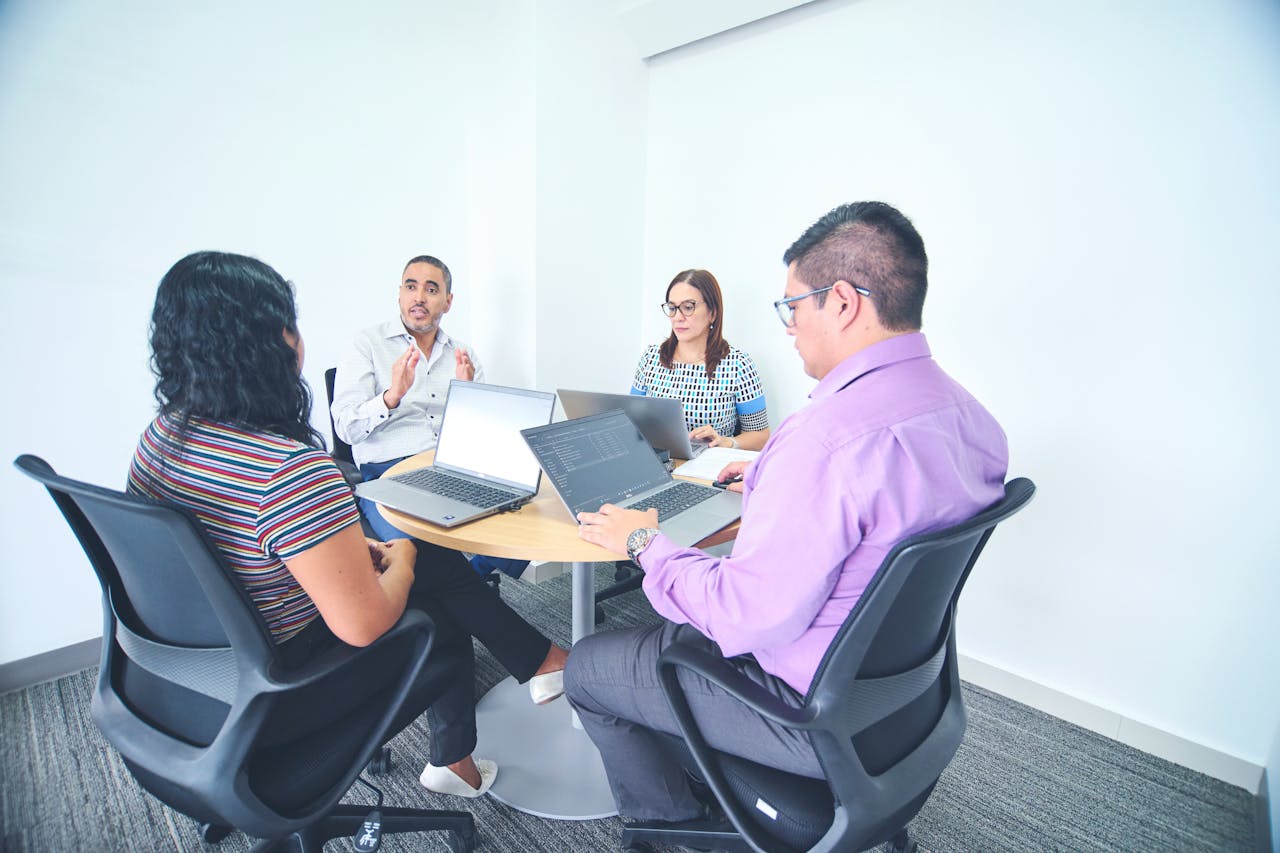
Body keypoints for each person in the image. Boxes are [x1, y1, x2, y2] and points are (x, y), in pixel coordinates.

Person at [564, 202, 1009, 824]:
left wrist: (645, 545)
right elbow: (877, 518)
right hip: (907, 700)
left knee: (587, 667)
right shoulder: (972, 420)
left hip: (803, 713)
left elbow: (742, 619)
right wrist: (775, 472)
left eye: (794, 307)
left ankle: (669, 825)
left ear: (844, 302)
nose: (789, 327)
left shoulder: (822, 442)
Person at [128, 251, 568, 799]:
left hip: (192, 682)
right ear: (270, 345)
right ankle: (518, 688)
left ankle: (496, 714)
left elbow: (237, 538)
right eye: (290, 325)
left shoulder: (160, 439)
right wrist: (402, 556)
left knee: (440, 571)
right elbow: (363, 625)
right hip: (286, 689)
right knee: (438, 592)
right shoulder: (289, 469)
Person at [331, 255, 524, 579]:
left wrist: (469, 398)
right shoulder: (367, 343)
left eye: (431, 289)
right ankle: (460, 584)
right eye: (411, 287)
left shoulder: (463, 354)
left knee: (520, 522)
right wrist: (391, 396)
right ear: (400, 295)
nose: (419, 297)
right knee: (415, 554)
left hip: (451, 469)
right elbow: (346, 430)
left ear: (447, 302)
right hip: (388, 475)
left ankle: (468, 577)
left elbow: (485, 437)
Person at [630, 269, 771, 452]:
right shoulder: (650, 359)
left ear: (712, 312)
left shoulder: (738, 365)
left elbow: (761, 436)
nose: (678, 317)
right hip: (657, 466)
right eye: (672, 308)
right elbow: (630, 421)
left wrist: (726, 442)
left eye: (688, 307)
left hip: (709, 472)